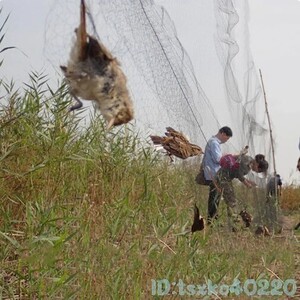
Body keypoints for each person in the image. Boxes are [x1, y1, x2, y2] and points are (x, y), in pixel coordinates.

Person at [214, 154, 269, 230]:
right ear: (257, 164)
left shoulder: (248, 161)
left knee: (230, 200)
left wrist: (249, 181)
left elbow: (237, 172)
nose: (257, 171)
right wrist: (247, 184)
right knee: (231, 201)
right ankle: (233, 223)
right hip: (223, 177)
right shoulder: (247, 162)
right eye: (258, 170)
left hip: (225, 178)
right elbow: (238, 174)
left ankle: (231, 224)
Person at [201, 126, 233, 224]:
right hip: (213, 174)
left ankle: (213, 219)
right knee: (214, 198)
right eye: (226, 138)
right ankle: (211, 221)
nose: (226, 141)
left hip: (213, 174)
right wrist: (229, 157)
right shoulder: (214, 143)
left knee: (216, 197)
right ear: (222, 134)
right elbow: (218, 159)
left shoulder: (213, 142)